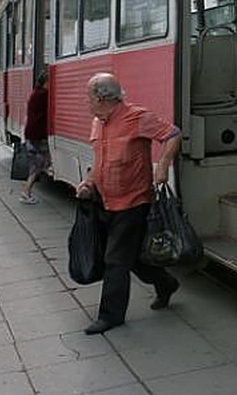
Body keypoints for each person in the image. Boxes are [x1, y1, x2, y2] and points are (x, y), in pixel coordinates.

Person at [75, 73, 182, 335]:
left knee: (115, 259)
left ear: (101, 98)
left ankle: (110, 315)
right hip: (104, 200)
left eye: (89, 97)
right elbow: (99, 161)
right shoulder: (97, 123)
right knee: (131, 258)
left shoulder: (137, 117)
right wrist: (88, 184)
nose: (86, 102)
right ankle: (165, 283)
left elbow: (173, 134)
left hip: (133, 200)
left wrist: (163, 166)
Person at [20, 71, 50, 204]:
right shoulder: (44, 94)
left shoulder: (35, 93)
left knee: (38, 163)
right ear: (46, 82)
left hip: (32, 133)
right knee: (39, 164)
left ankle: (26, 189)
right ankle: (26, 191)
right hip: (37, 134)